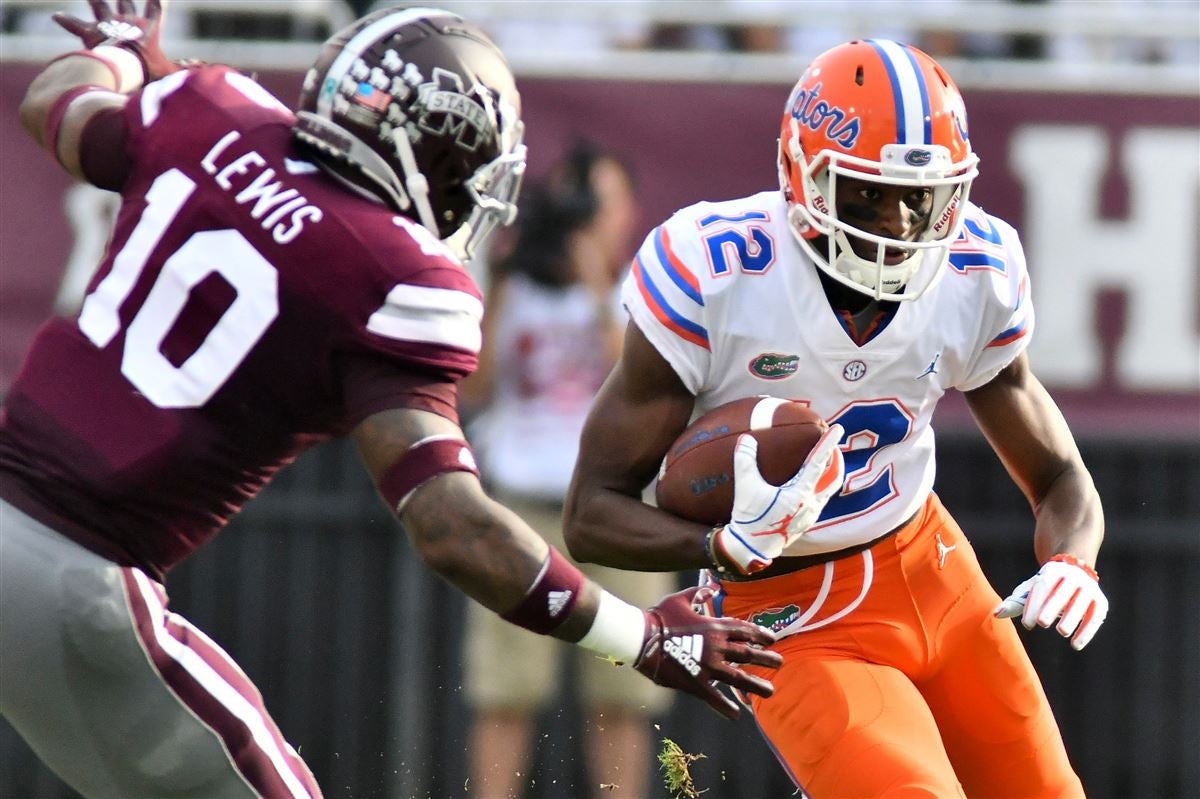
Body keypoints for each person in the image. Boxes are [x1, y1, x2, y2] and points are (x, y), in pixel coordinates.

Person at [0, 4, 784, 797]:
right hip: (82, 581)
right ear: (427, 155)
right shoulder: (398, 277)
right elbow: (452, 525)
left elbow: (58, 105)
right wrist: (643, 637)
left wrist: (124, 51)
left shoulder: (211, 110)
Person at [563, 38, 1110, 798]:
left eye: (920, 198)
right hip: (789, 611)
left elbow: (1057, 475)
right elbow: (590, 511)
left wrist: (1073, 559)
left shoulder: (974, 268)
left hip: (933, 568)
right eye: (866, 194)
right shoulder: (719, 273)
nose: (897, 224)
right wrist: (717, 545)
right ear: (801, 174)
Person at [460, 141, 674, 798]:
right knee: (507, 692)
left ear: (629, 212)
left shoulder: (645, 287)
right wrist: (494, 283)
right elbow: (474, 389)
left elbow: (642, 379)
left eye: (600, 204)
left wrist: (595, 285)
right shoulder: (516, 284)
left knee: (623, 695)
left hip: (618, 512)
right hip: (523, 510)